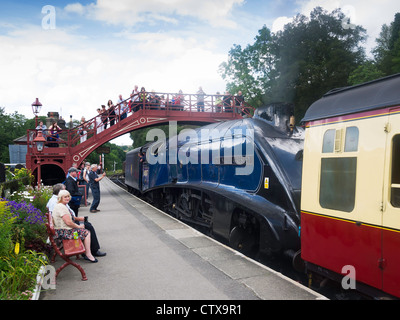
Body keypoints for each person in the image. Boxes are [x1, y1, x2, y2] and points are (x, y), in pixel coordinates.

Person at [47, 184, 106, 258]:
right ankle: (93, 251)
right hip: (65, 227)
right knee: (88, 227)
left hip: (68, 223)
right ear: (60, 193)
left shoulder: (58, 200)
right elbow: (65, 220)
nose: (67, 193)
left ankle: (90, 249)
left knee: (87, 224)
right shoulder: (55, 202)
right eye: (65, 191)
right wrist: (78, 225)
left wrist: (78, 218)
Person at [52, 189, 98, 262]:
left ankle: (86, 252)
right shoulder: (61, 207)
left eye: (68, 196)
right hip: (64, 232)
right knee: (86, 232)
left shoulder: (61, 205)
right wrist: (79, 227)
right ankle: (88, 254)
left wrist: (79, 221)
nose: (67, 198)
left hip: (62, 231)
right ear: (61, 198)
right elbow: (68, 223)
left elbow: (70, 220)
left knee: (85, 228)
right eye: (65, 197)